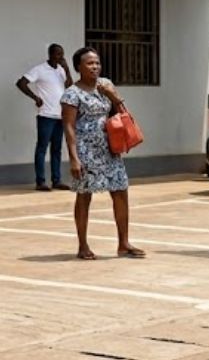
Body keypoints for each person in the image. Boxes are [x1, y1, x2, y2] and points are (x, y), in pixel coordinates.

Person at [61, 47, 145, 260]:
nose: (95, 67)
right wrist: (74, 158)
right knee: (84, 195)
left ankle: (124, 244)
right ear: (78, 67)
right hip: (86, 151)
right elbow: (69, 127)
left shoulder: (106, 85)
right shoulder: (72, 93)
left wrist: (113, 96)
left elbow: (123, 114)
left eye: (97, 63)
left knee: (120, 190)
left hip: (110, 148)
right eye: (89, 63)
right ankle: (83, 245)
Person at [16, 44, 74, 191]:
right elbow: (21, 83)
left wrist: (66, 68)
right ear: (50, 54)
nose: (60, 57)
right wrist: (35, 97)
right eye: (57, 54)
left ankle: (57, 180)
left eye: (62, 54)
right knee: (42, 148)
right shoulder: (40, 69)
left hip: (60, 115)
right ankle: (40, 182)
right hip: (46, 115)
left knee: (57, 149)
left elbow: (70, 87)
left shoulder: (61, 70)